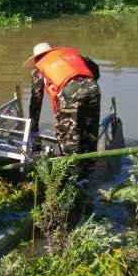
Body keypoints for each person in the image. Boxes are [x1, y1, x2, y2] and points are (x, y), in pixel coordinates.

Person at [25, 43, 101, 185]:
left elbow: (36, 98)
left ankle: (74, 177)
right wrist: (86, 88)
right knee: (89, 130)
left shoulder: (39, 67)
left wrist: (33, 127)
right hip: (93, 88)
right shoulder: (69, 55)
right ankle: (87, 172)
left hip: (70, 93)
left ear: (36, 58)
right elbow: (95, 69)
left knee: (68, 135)